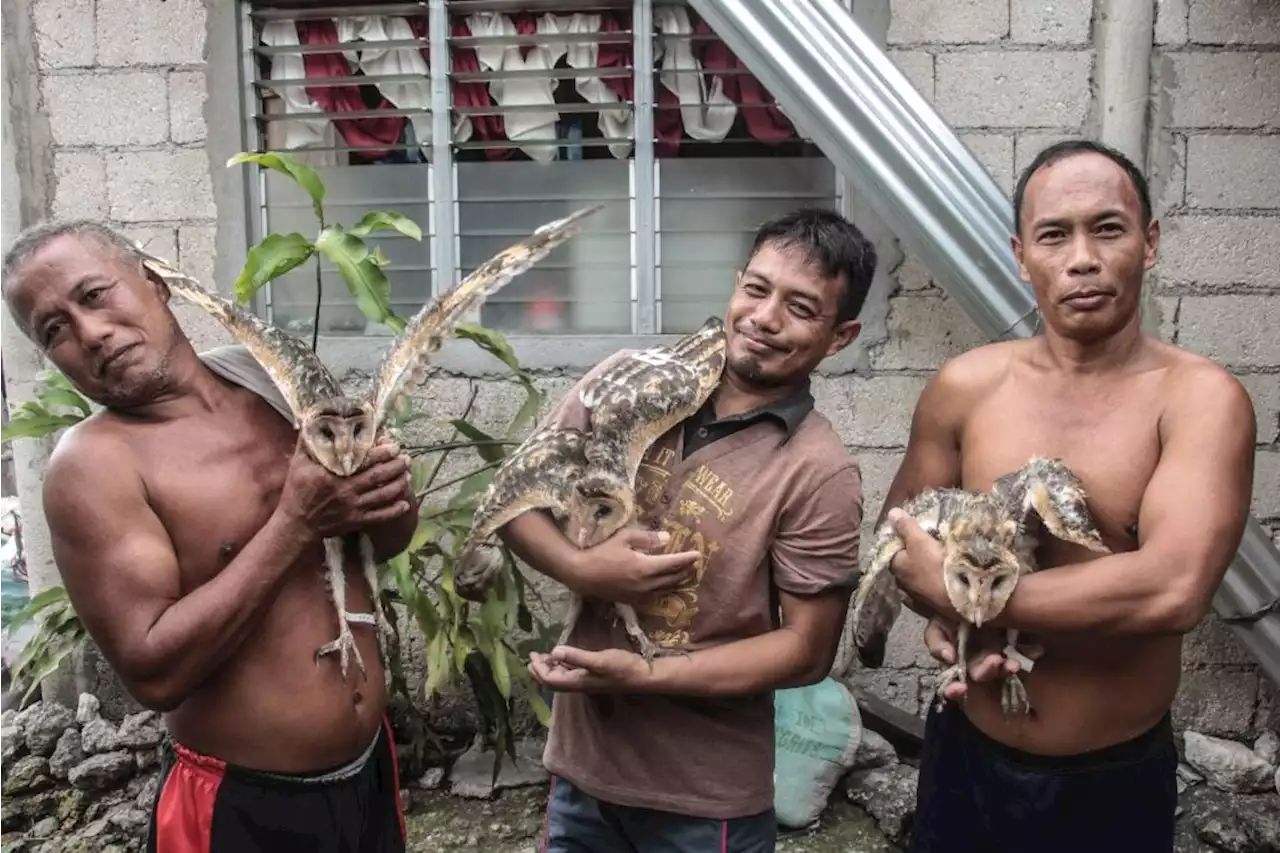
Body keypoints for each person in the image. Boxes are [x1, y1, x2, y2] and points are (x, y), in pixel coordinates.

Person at [878, 139, 1256, 852]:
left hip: (1111, 778)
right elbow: (904, 542)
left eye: (1107, 228)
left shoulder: (1200, 400)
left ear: (1148, 244)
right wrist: (946, 620)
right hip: (964, 756)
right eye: (1055, 234)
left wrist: (969, 597)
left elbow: (1171, 587)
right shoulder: (965, 387)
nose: (1082, 257)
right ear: (1022, 256)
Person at [0, 221, 420, 852]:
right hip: (241, 808)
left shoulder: (271, 385)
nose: (90, 335)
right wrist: (295, 523)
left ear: (155, 281)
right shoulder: (95, 468)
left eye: (93, 296)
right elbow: (154, 673)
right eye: (54, 330)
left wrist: (385, 495)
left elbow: (380, 545)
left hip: (368, 773)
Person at [497, 207, 875, 852]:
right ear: (736, 284)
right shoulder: (630, 384)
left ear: (840, 337)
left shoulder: (818, 470)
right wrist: (585, 569)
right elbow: (513, 501)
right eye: (756, 289)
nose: (763, 318)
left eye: (801, 308)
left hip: (707, 798)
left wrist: (645, 674)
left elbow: (807, 651)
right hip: (584, 769)